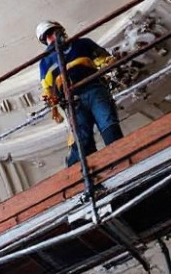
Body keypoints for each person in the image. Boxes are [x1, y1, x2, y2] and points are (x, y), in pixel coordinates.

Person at [36, 20, 124, 167]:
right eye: (48, 36)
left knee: (108, 122)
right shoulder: (45, 62)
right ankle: (86, 168)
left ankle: (121, 157)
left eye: (53, 32)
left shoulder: (83, 44)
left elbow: (102, 59)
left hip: (94, 89)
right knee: (82, 136)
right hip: (73, 101)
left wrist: (109, 61)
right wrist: (49, 98)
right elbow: (48, 87)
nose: (53, 37)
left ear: (61, 30)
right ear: (45, 41)